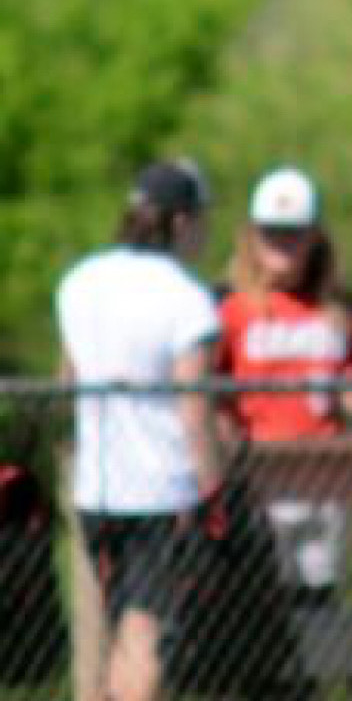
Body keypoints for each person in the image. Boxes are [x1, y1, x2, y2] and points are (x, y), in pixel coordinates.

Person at [55, 160, 229, 701]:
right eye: (200, 219)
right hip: (160, 491)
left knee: (107, 631)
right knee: (144, 633)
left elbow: (67, 378)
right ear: (179, 222)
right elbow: (193, 407)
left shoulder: (81, 282)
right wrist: (213, 489)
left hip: (94, 485)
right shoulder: (186, 298)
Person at [215, 165, 352, 605]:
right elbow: (209, 392)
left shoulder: (339, 311)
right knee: (260, 604)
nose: (283, 244)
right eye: (272, 233)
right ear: (252, 237)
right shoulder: (233, 309)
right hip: (258, 477)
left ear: (315, 237)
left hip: (324, 476)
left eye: (295, 233)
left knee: (319, 600)